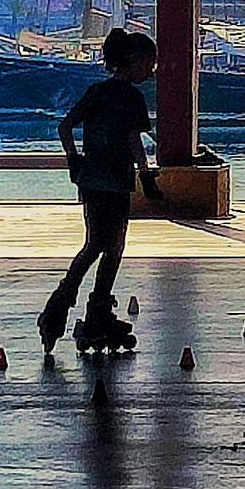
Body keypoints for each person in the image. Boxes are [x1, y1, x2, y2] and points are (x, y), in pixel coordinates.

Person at [39, 28, 163, 353]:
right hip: (117, 182)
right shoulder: (132, 99)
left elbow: (64, 126)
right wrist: (147, 176)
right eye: (149, 64)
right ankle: (96, 313)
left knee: (94, 244)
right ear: (134, 60)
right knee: (114, 247)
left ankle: (60, 307)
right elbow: (133, 142)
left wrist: (73, 160)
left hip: (91, 181)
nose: (151, 72)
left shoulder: (96, 91)